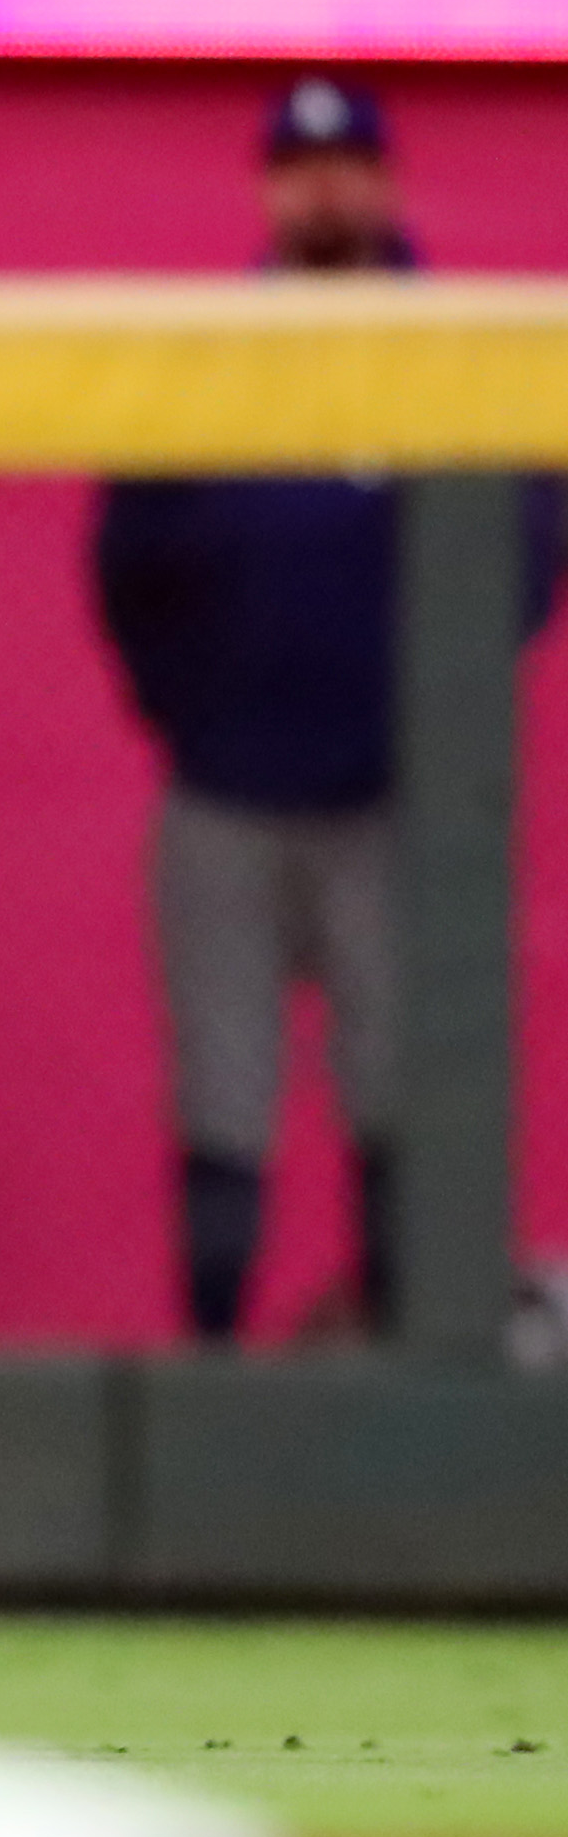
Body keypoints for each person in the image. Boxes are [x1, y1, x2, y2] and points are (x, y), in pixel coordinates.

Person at [92, 77, 558, 1339]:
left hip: (391, 797)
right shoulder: (208, 358)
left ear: (389, 181)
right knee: (222, 1106)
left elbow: (524, 553)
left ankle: (405, 1393)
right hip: (226, 799)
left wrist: (425, 712)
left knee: (404, 1101)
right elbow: (131, 561)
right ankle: (213, 1394)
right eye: (301, 167)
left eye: (350, 163)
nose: (326, 189)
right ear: (266, 189)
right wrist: (195, 716)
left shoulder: (458, 349)